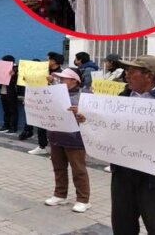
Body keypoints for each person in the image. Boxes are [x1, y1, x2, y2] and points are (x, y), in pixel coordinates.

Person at [75, 55, 155, 234]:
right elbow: (108, 121)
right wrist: (87, 119)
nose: (126, 75)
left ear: (149, 75)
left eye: (131, 72)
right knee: (122, 225)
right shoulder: (125, 95)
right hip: (123, 172)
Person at [44, 68, 92, 213]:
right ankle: (60, 194)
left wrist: (80, 112)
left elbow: (94, 116)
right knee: (58, 168)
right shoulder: (54, 93)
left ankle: (83, 200)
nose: (61, 81)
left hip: (75, 138)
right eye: (60, 78)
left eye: (64, 78)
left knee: (78, 170)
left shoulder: (86, 95)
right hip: (55, 136)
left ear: (74, 80)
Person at [101, 53, 125, 172]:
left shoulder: (121, 72)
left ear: (112, 62)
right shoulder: (109, 73)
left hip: (116, 106)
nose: (105, 63)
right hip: (108, 105)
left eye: (107, 61)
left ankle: (115, 163)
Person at [0, 55, 19, 134]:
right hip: (2, 92)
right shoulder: (1, 69)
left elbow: (19, 81)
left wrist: (14, 75)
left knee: (13, 111)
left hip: (11, 93)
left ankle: (13, 128)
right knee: (6, 111)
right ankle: (6, 125)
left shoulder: (16, 69)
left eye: (3, 61)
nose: (2, 62)